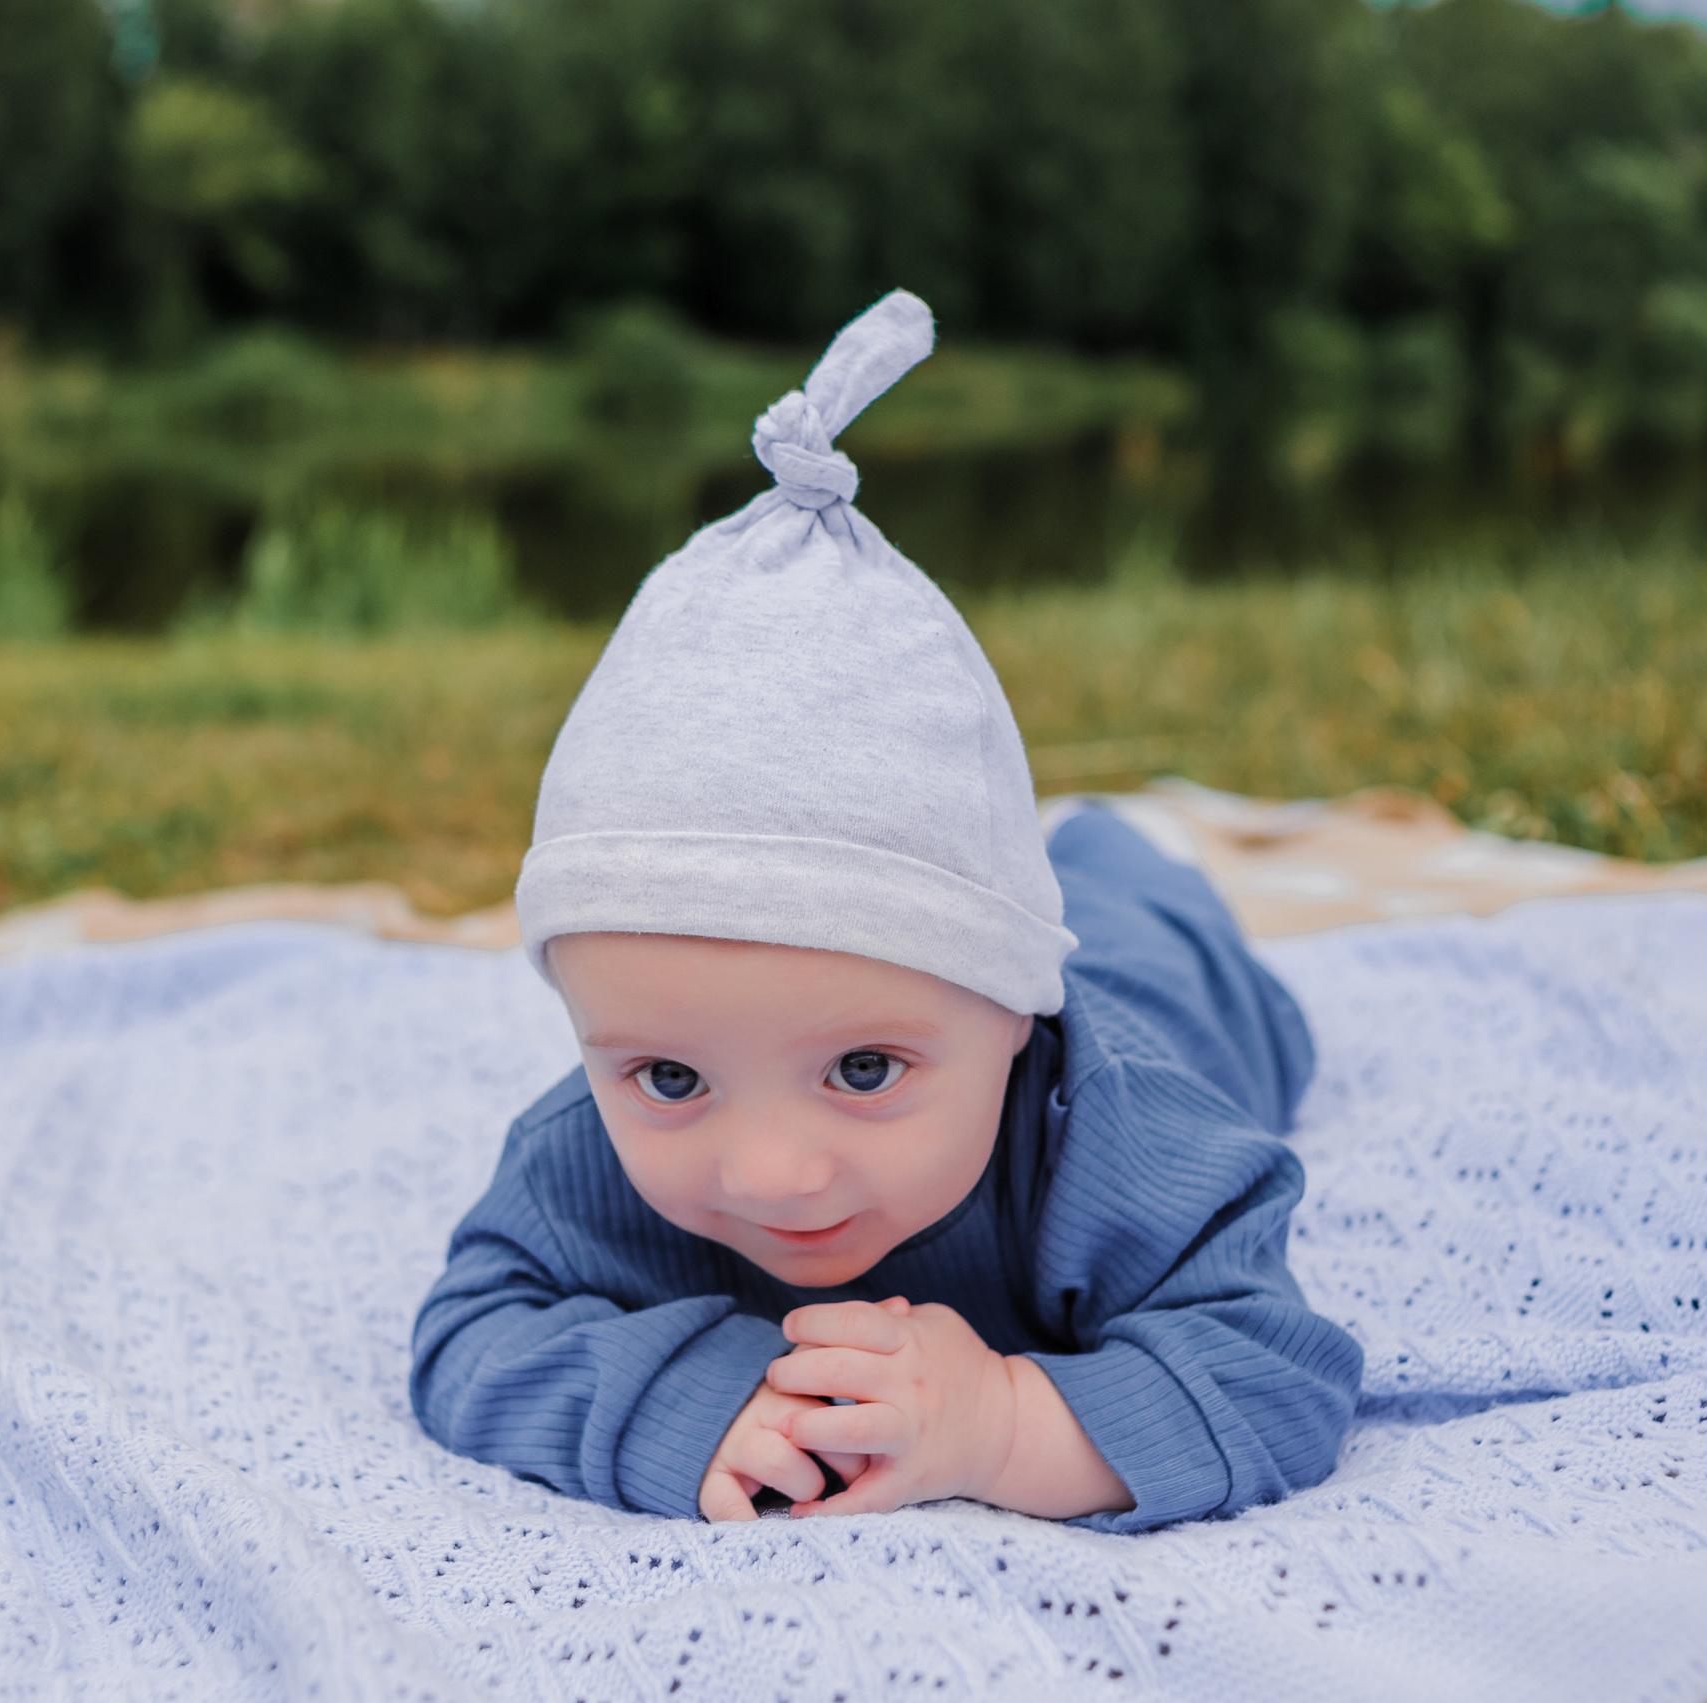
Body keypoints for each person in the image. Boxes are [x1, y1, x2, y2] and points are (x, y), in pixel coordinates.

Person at [410, 292, 1363, 1529]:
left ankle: (1110, 851)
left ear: (1016, 1011)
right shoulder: (583, 1150)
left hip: (1167, 978)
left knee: (1146, 909)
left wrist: (1005, 1422)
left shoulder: (1122, 1138)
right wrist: (681, 1398)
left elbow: (1280, 1370)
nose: (768, 1173)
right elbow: (470, 1332)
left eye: (863, 1066)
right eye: (669, 1077)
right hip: (999, 933)